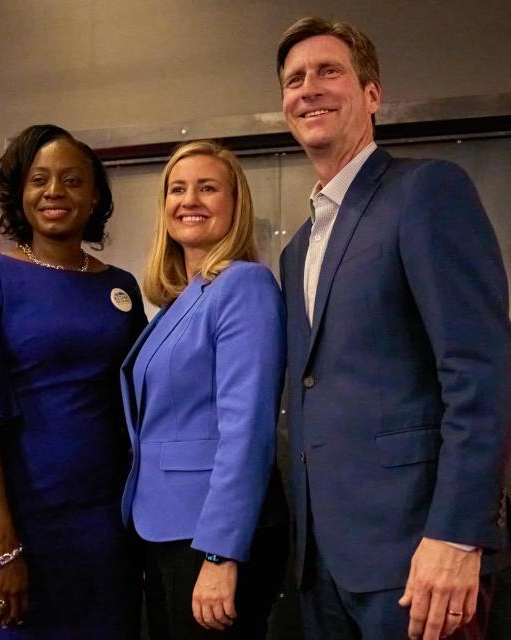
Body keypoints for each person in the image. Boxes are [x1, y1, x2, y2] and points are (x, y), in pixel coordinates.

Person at [275, 17, 511, 640]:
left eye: (329, 71)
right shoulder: (297, 249)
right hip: (323, 566)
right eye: (294, 79)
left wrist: (458, 534)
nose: (309, 89)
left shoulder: (426, 191)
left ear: (372, 94)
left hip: (419, 555)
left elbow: (479, 370)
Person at [0, 124, 147, 639]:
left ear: (94, 197)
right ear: (20, 195)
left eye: (71, 180)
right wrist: (2, 545)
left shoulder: (121, 287)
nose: (54, 192)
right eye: (39, 179)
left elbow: (138, 409)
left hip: (104, 527)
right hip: (18, 523)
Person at [121, 140, 288, 639]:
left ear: (235, 205)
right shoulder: (182, 301)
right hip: (167, 532)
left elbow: (247, 431)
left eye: (207, 188)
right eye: (177, 189)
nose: (188, 199)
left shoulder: (245, 285)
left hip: (212, 537)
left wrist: (221, 552)